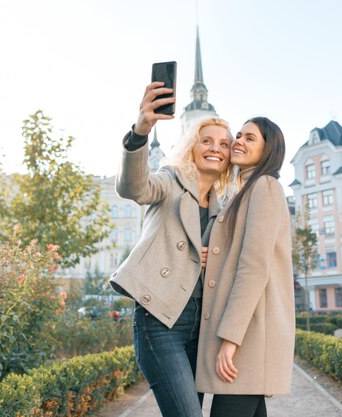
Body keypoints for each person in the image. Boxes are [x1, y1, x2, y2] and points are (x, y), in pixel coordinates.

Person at [109, 81, 234, 417]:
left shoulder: (222, 207)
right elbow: (133, 187)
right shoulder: (170, 180)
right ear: (191, 147)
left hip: (201, 323)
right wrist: (141, 131)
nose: (215, 148)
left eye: (224, 143)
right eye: (206, 141)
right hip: (160, 320)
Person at [196, 117, 295, 417]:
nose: (238, 141)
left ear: (268, 150)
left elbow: (253, 268)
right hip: (248, 336)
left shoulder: (264, 187)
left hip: (248, 338)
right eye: (238, 135)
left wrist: (230, 339)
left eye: (249, 138)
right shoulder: (247, 190)